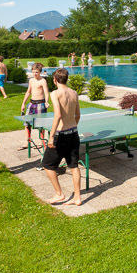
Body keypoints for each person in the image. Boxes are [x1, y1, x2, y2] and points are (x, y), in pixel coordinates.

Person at [42, 68, 82, 205]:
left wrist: (52, 136)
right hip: (74, 133)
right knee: (74, 166)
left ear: (55, 80)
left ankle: (59, 194)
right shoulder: (74, 93)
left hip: (61, 136)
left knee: (47, 165)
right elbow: (78, 115)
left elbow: (58, 115)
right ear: (66, 79)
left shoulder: (55, 93)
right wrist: (72, 127)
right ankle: (77, 198)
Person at [21, 64, 50, 150]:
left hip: (40, 104)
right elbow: (28, 92)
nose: (35, 74)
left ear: (40, 72)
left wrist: (46, 102)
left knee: (41, 125)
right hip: (31, 104)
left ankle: (42, 142)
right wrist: (23, 103)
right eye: (33, 72)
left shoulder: (43, 81)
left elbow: (46, 92)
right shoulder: (31, 80)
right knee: (26, 123)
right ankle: (27, 141)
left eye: (36, 72)